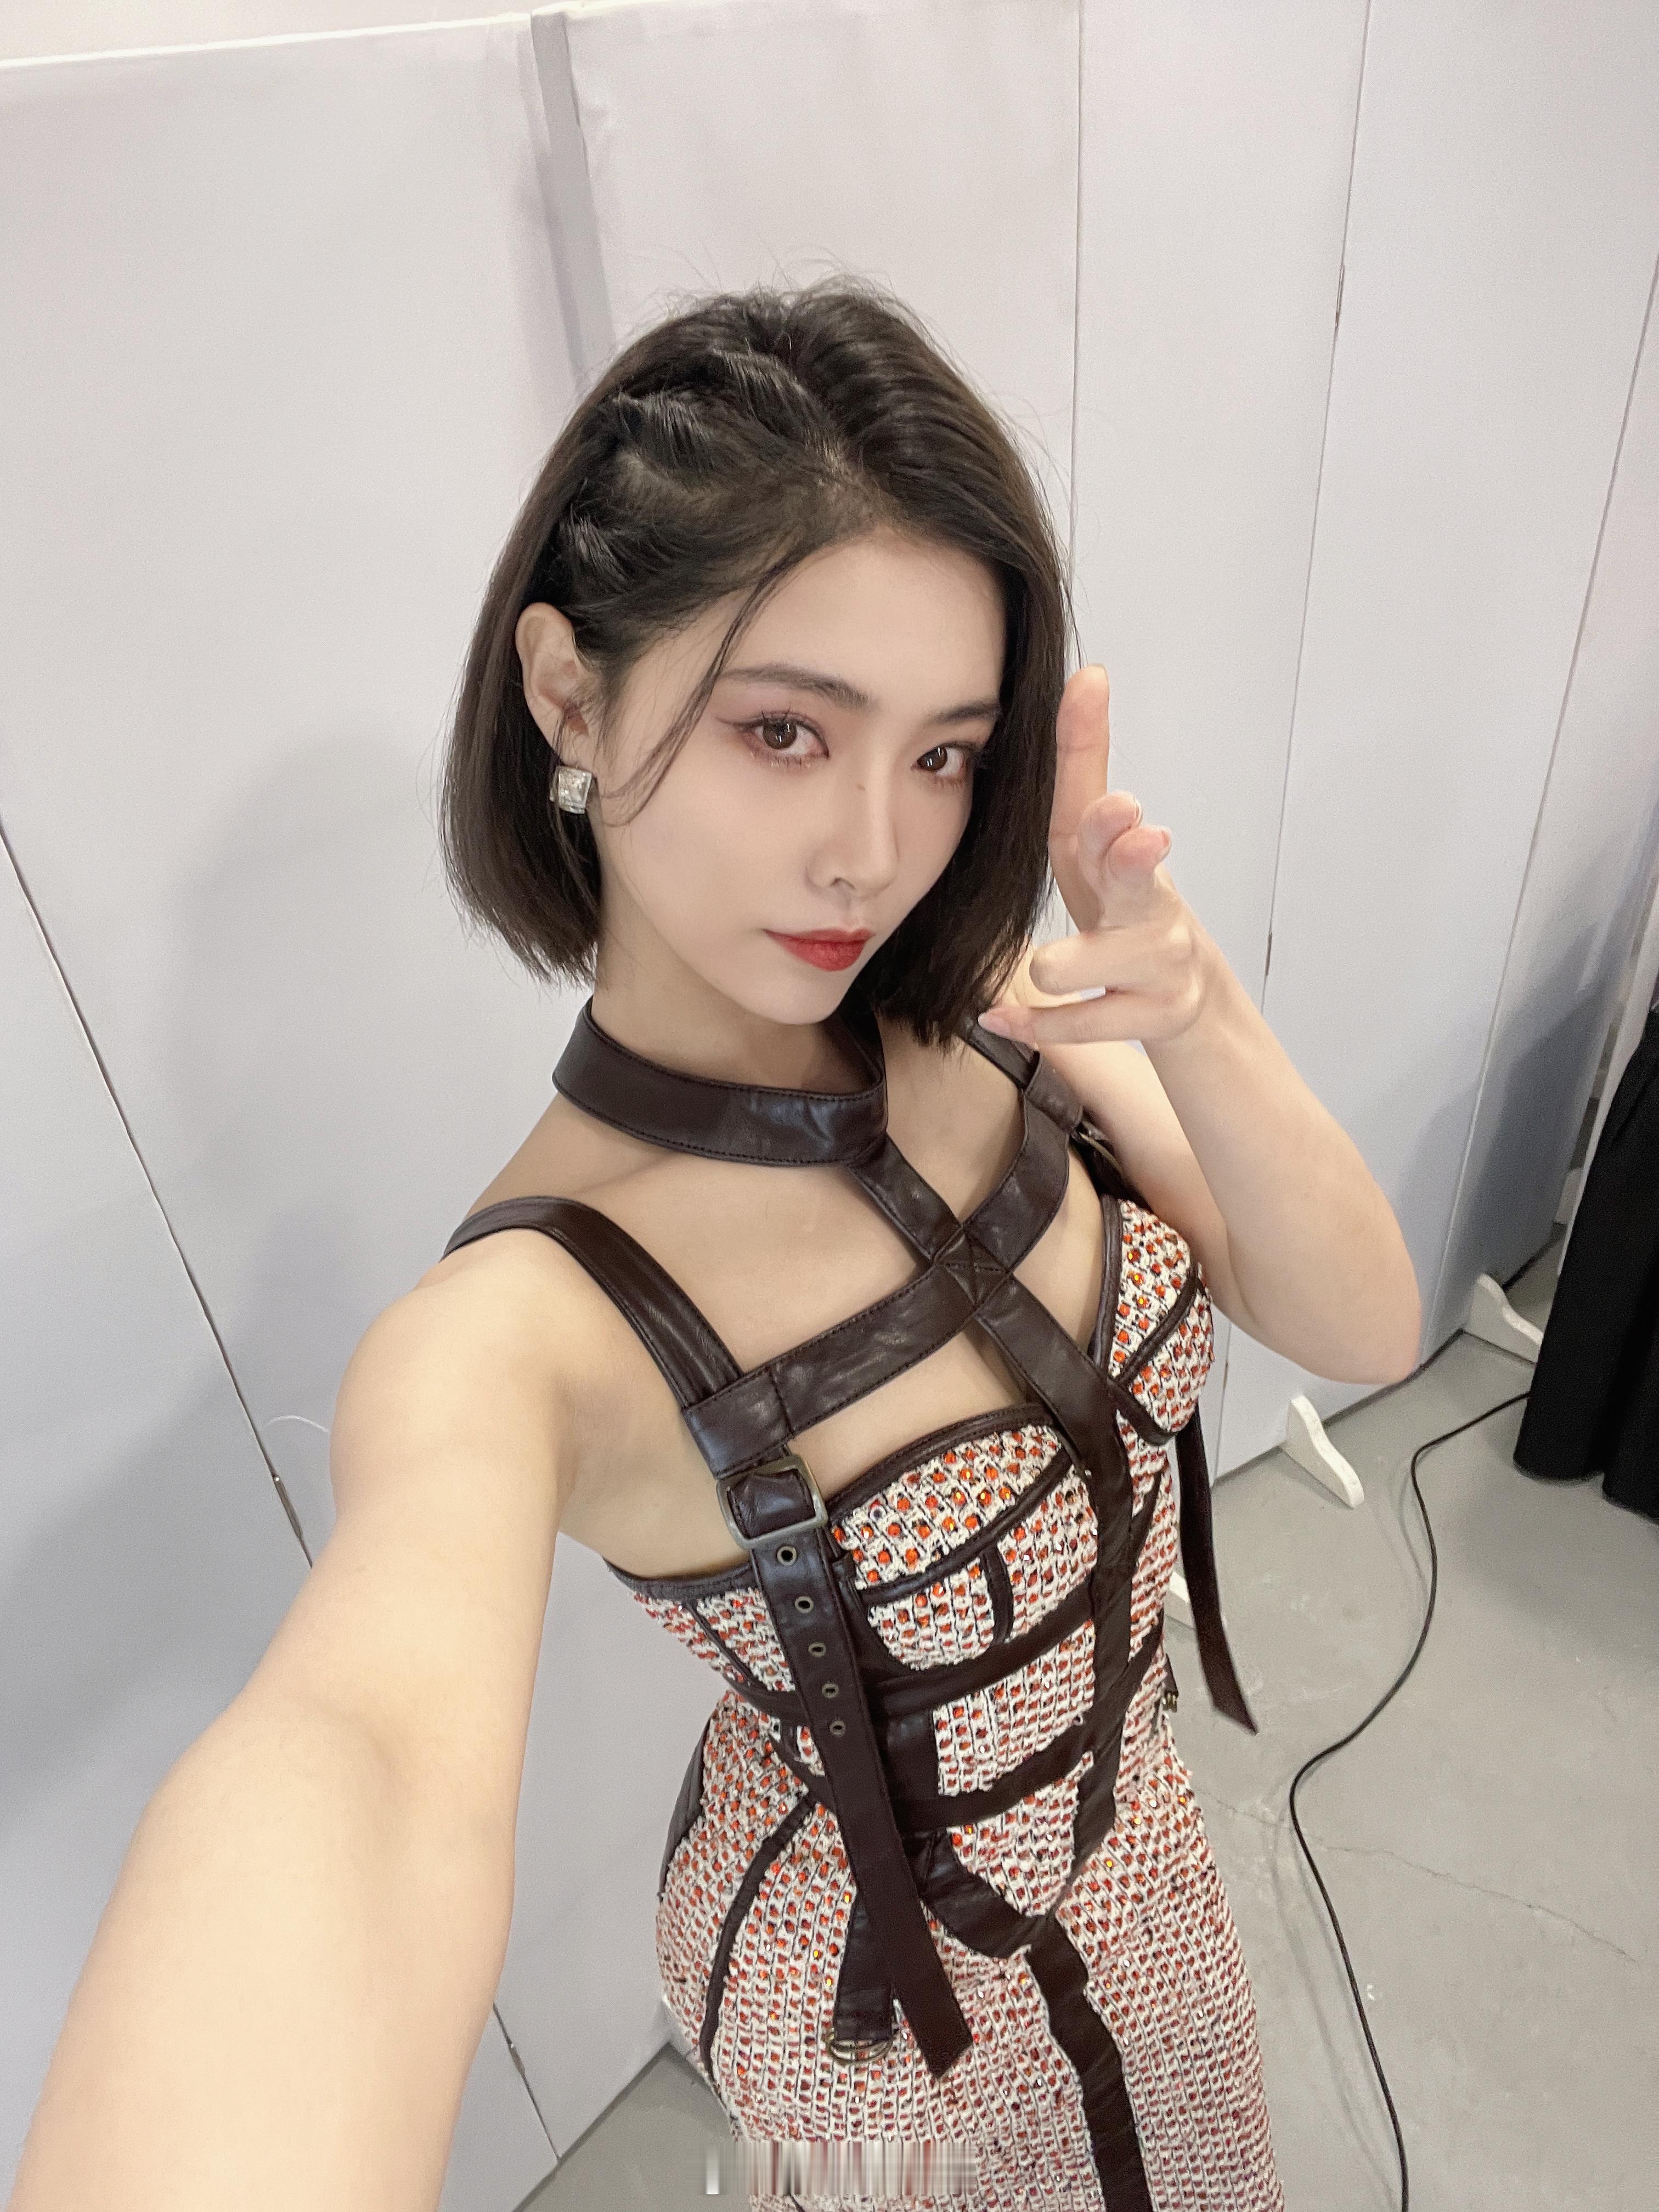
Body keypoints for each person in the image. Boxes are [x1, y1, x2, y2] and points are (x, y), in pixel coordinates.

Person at [10, 277, 1420, 2212]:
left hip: (1144, 1849)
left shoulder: (1008, 1012)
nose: (873, 850)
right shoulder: (520, 1329)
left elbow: (1366, 1324)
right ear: (569, 695)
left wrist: (1196, 1010)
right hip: (871, 2015)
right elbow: (360, 1772)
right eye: (783, 731)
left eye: (944, 754)